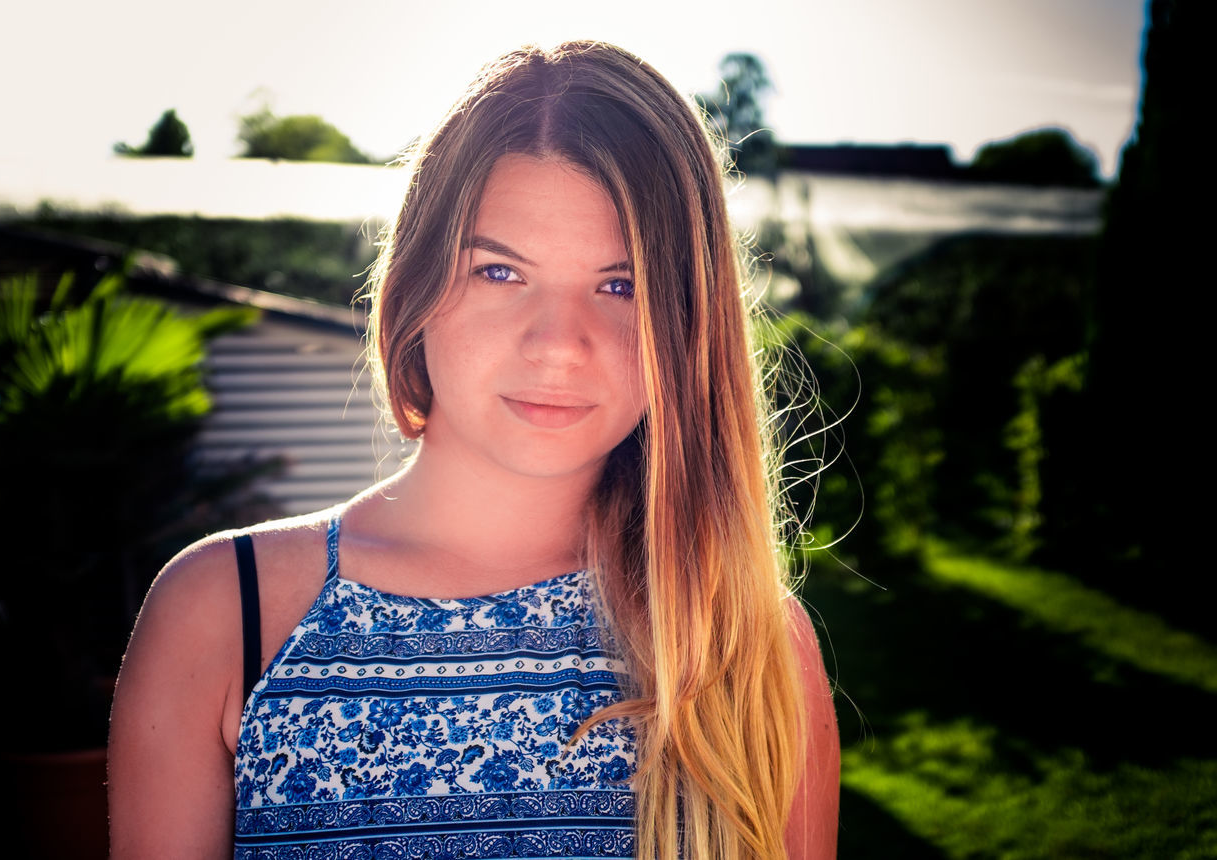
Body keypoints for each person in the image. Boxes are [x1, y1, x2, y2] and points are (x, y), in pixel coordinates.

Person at [108, 40, 839, 859]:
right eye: (500, 272)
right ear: (416, 288)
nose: (559, 345)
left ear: (689, 327)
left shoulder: (749, 646)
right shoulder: (226, 612)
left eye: (620, 285)